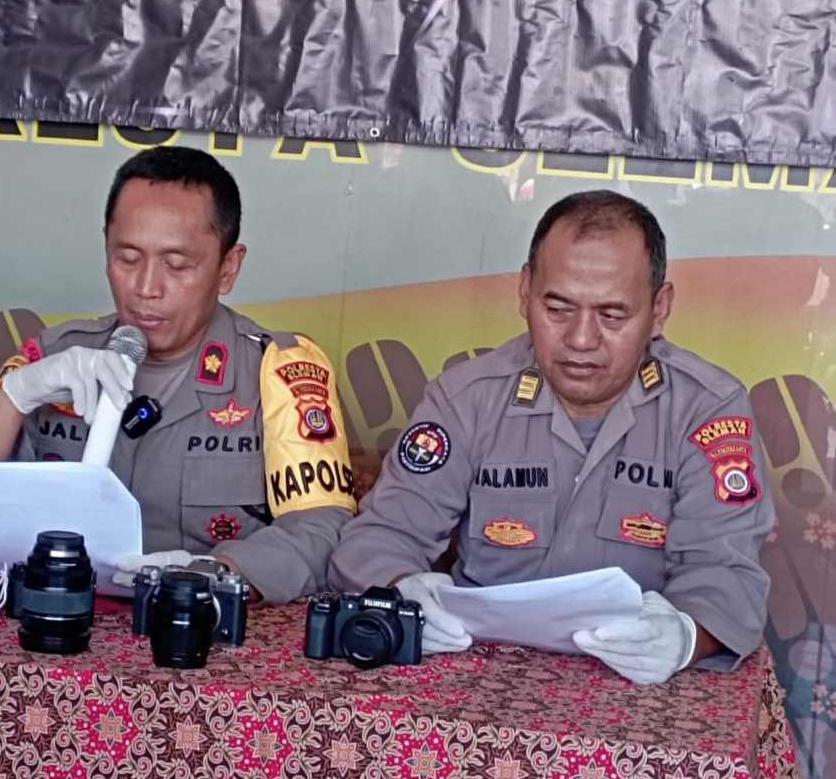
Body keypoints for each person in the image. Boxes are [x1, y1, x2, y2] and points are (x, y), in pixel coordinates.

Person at [329, 190, 773, 684]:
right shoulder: (469, 398)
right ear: (525, 292)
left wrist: (685, 637)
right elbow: (381, 535)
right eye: (558, 309)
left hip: (634, 684)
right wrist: (400, 589)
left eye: (612, 315)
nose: (581, 339)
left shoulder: (705, 409)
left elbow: (727, 573)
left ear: (659, 308)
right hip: (472, 676)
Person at [0, 146, 357, 604]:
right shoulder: (55, 358)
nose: (146, 288)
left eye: (176, 265)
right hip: (54, 625)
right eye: (127, 259)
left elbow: (322, 530)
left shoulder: (275, 371)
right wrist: (15, 396)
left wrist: (217, 573)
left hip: (193, 631)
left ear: (228, 268)